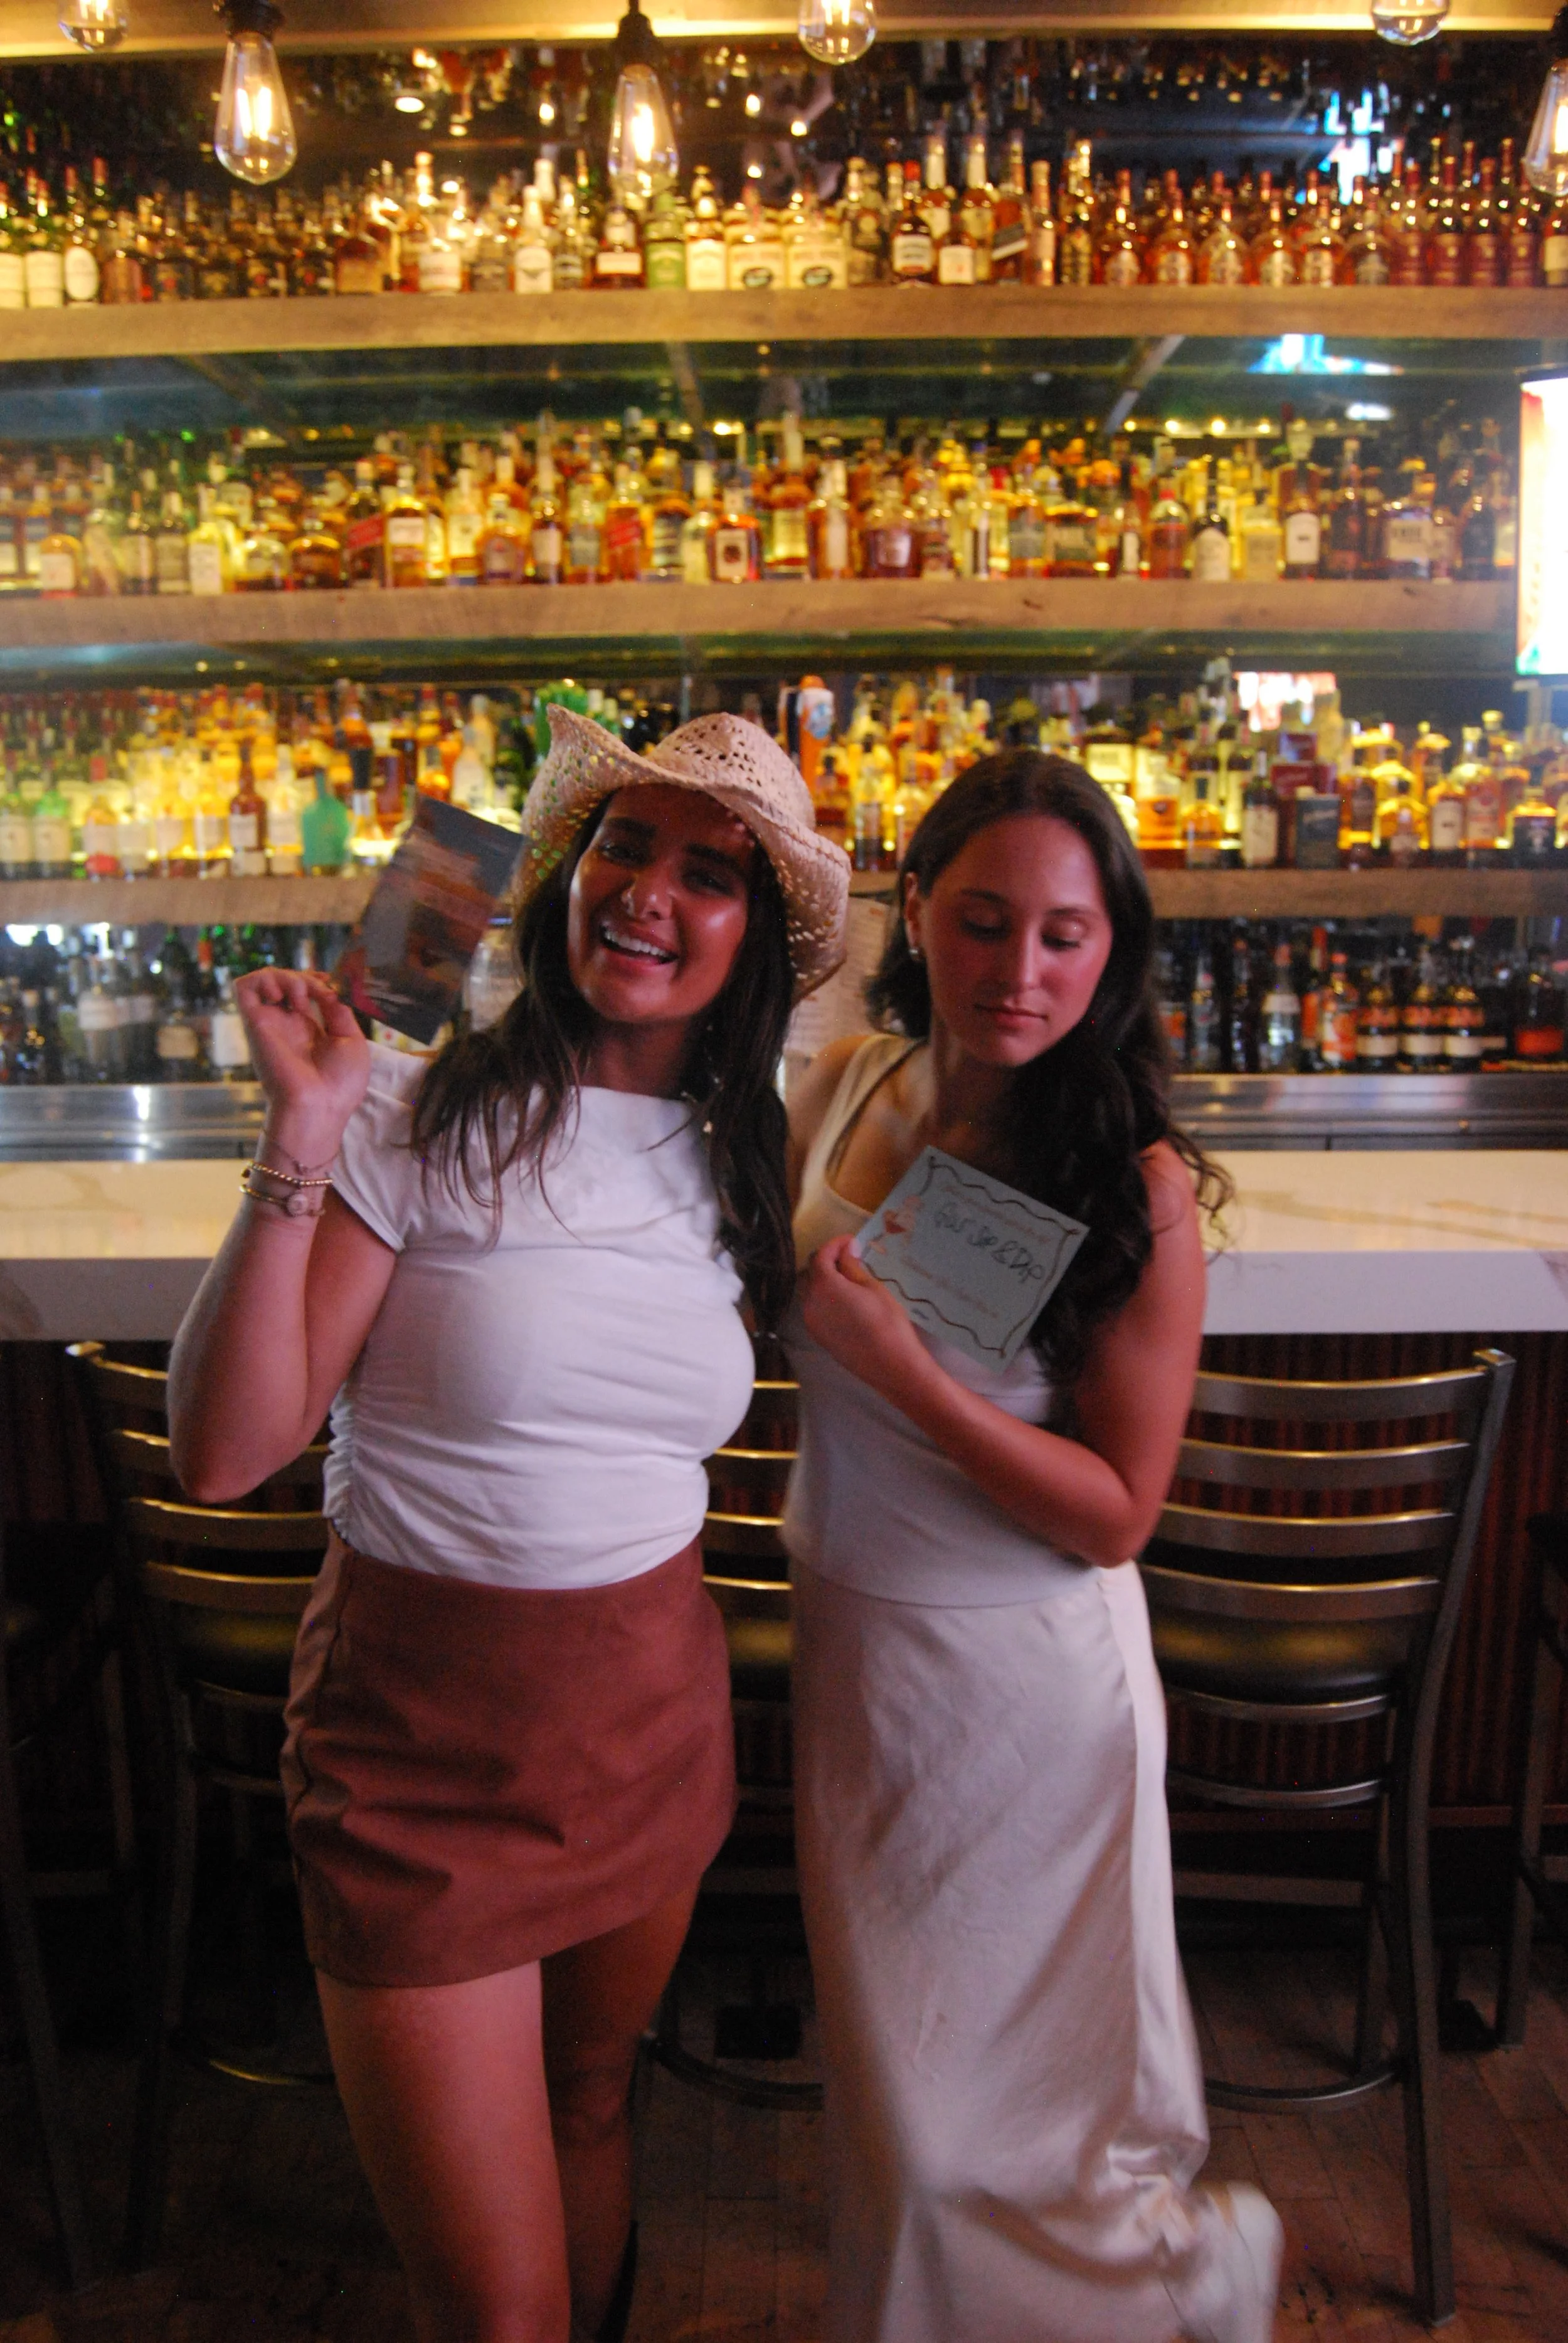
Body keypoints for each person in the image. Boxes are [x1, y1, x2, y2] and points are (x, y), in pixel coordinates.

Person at [167, 705, 849, 2343]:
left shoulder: (764, 1148)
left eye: (711, 871)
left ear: (753, 936)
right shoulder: (411, 1106)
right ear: (561, 872)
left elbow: (1002, 1277)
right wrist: (298, 1131)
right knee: (492, 2307)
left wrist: (1124, 1178)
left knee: (592, 2099)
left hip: (645, 1718)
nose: (649, 893)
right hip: (416, 1739)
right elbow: (225, 1445)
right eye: (623, 844)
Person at [783, 749, 1283, 2343]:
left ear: (1110, 950)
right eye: (984, 920)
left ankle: (1174, 2287)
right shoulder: (847, 1078)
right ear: (914, 911)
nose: (1020, 970)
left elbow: (1115, 1511)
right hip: (855, 1663)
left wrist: (908, 1374)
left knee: (998, 2129)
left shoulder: (1133, 1187)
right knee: (889, 2108)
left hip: (1021, 1686)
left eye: (1064, 935)